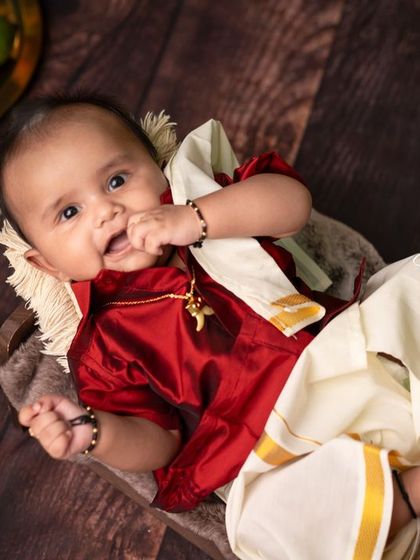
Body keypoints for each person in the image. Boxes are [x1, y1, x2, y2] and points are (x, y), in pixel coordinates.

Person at [0, 94, 419, 559]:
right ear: (49, 264)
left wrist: (198, 219)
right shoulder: (103, 346)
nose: (106, 211)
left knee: (408, 289)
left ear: (158, 168)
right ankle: (406, 494)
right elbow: (159, 442)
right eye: (69, 213)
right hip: (264, 444)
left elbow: (292, 203)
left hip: (333, 356)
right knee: (264, 524)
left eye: (117, 180)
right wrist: (95, 433)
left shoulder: (202, 201)